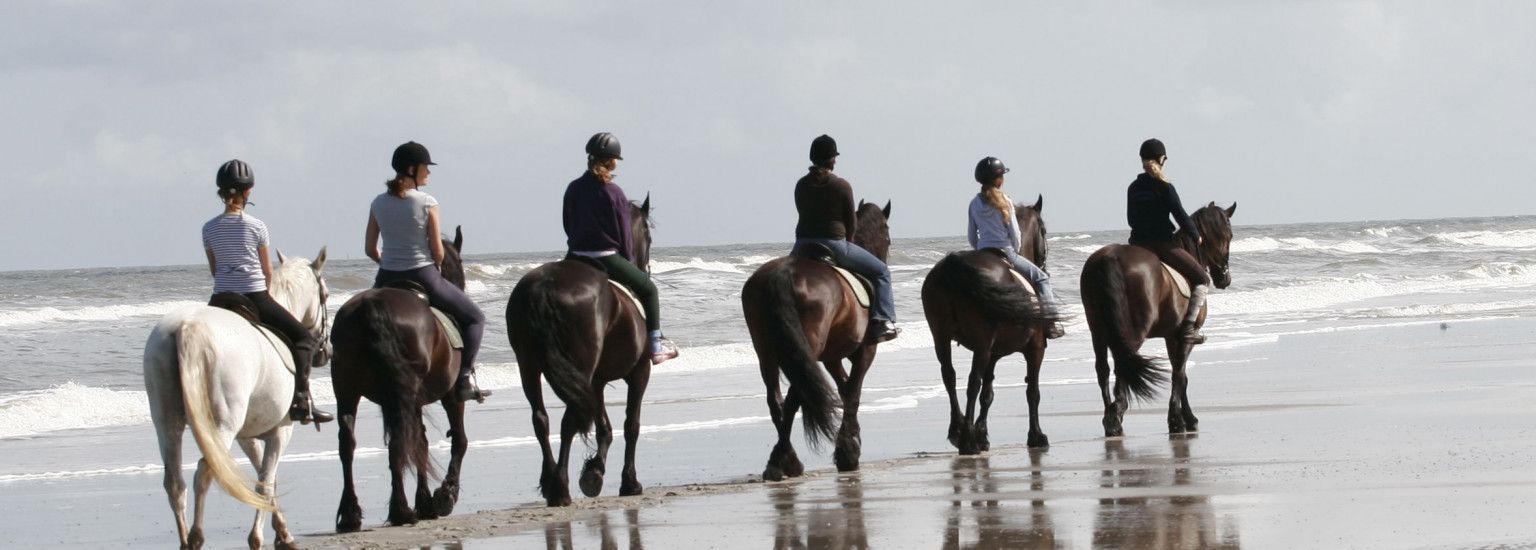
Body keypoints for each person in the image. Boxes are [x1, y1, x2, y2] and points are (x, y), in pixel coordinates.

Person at [202, 159, 333, 424]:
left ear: (220, 192)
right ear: (248, 191)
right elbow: (267, 272)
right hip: (254, 296)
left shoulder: (208, 228)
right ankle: (300, 401)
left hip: (220, 299)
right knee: (303, 339)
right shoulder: (257, 226)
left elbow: (215, 270)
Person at [365, 141, 490, 401]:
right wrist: (438, 265)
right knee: (476, 317)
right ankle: (464, 379)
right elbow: (438, 250)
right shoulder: (427, 202)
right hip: (423, 274)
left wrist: (387, 263)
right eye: (425, 168)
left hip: (386, 277)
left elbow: (369, 248)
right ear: (412, 169)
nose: (428, 173)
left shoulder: (378, 202)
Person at [562, 132, 679, 364]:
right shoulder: (613, 192)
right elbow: (625, 234)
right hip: (605, 258)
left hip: (574, 257)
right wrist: (627, 259)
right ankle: (656, 346)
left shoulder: (573, 187)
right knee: (649, 290)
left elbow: (567, 223)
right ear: (612, 161)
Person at [791, 134, 899, 343]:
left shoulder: (801, 185)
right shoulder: (841, 185)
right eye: (834, 156)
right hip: (834, 244)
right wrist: (848, 239)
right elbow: (852, 223)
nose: (836, 160)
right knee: (882, 272)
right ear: (831, 159)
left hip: (802, 245)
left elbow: (801, 212)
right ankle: (882, 321)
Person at [967, 156, 1065, 339]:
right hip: (1005, 252)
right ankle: (1051, 323)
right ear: (999, 179)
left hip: (983, 252)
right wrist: (1016, 253)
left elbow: (972, 237)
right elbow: (1016, 234)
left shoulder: (974, 204)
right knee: (1042, 278)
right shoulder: (1005, 201)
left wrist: (980, 249)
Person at [1127, 138, 1212, 344]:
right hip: (1162, 244)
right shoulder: (1165, 186)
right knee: (1202, 279)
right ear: (1161, 159)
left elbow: (1130, 219)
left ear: (1142, 159)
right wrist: (1196, 235)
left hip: (1137, 244)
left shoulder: (1133, 187)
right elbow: (1180, 215)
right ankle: (1189, 328)